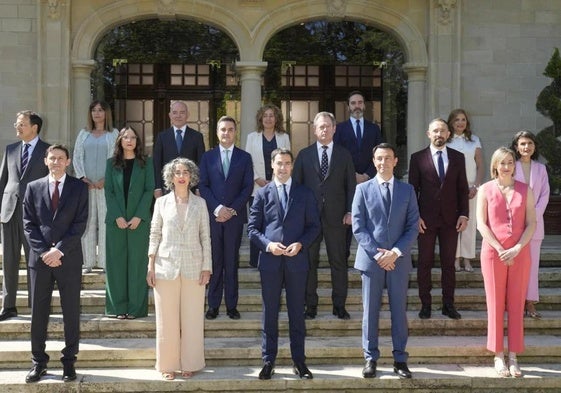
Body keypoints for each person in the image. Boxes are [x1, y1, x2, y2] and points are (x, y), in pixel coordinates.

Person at [248, 148, 320, 380]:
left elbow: (314, 227)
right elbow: (252, 229)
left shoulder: (305, 193)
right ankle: (268, 361)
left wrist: (301, 243)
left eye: (287, 163)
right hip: (270, 262)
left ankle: (299, 361)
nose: (283, 167)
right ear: (272, 165)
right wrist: (268, 245)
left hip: (297, 261)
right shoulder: (261, 194)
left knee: (296, 314)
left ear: (292, 166)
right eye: (279, 163)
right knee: (270, 313)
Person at [352, 143, 419, 379]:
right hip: (372, 261)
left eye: (387, 158)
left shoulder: (407, 190)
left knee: (399, 312)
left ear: (395, 161)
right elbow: (359, 227)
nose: (383, 163)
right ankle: (370, 359)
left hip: (398, 261)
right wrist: (379, 254)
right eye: (379, 158)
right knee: (370, 312)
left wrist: (396, 252)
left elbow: (412, 226)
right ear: (373, 160)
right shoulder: (362, 190)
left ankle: (400, 360)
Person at [22, 144, 89, 383]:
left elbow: (80, 224)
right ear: (46, 161)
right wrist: (44, 252)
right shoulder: (32, 188)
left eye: (61, 158)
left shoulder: (79, 188)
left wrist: (59, 250)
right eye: (52, 158)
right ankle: (38, 362)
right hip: (39, 261)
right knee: (38, 313)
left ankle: (69, 362)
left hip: (68, 259)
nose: (56, 162)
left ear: (68, 162)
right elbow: (28, 224)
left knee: (71, 311)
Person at [147, 157, 211, 380]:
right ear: (171, 178)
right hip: (165, 266)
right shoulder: (161, 203)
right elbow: (154, 233)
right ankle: (167, 364)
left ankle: (190, 363)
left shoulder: (200, 203)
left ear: (191, 176)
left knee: (192, 318)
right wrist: (150, 264)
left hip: (194, 267)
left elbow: (206, 237)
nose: (181, 176)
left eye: (185, 172)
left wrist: (207, 267)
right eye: (177, 172)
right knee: (166, 320)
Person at [476, 146, 536, 378]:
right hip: (493, 254)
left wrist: (518, 247)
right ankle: (498, 355)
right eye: (502, 162)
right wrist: (501, 248)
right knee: (495, 304)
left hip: (520, 254)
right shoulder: (485, 189)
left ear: (515, 165)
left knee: (516, 304)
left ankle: (514, 356)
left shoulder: (525, 190)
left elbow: (531, 222)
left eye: (510, 162)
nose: (506, 166)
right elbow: (482, 224)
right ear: (495, 165)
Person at [293, 111, 356, 320]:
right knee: (308, 263)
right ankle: (310, 305)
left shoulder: (344, 154)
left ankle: (339, 305)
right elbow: (297, 188)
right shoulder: (304, 155)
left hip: (337, 218)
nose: (324, 129)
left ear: (334, 128)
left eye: (328, 126)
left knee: (338, 262)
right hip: (309, 220)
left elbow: (351, 186)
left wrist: (350, 211)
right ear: (314, 130)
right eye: (321, 126)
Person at [408, 118, 469, 320]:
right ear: (428, 134)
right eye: (435, 131)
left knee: (448, 264)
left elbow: (462, 189)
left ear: (448, 134)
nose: (439, 134)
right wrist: (414, 217)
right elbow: (412, 191)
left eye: (442, 131)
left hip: (451, 220)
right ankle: (425, 305)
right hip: (425, 221)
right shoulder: (417, 158)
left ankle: (448, 305)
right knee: (424, 263)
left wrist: (464, 214)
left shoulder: (458, 158)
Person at [199, 116, 253, 320]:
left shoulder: (244, 158)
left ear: (235, 132)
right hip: (213, 218)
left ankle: (231, 305)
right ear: (217, 132)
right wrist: (218, 208)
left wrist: (230, 210)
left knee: (231, 262)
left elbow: (247, 187)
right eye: (223, 129)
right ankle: (213, 305)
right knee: (214, 262)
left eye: (230, 129)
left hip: (234, 218)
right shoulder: (207, 157)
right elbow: (203, 185)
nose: (226, 133)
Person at [0, 110, 49, 322]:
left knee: (36, 262)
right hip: (9, 213)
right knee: (9, 262)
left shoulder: (49, 151)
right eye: (17, 123)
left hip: (36, 215)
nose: (17, 127)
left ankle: (36, 306)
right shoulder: (10, 149)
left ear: (34, 127)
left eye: (21, 124)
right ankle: (8, 306)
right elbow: (3, 182)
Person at [104, 126, 155, 319]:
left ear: (137, 141)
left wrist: (138, 216)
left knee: (137, 265)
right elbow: (108, 191)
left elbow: (149, 190)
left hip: (138, 222)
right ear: (120, 141)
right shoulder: (111, 164)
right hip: (115, 222)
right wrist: (117, 215)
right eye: (126, 137)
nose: (130, 140)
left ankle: (136, 309)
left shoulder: (146, 163)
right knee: (116, 264)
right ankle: (117, 308)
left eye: (133, 137)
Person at [335, 91, 384, 262]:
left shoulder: (374, 128)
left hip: (370, 182)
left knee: (370, 221)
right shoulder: (339, 129)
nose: (357, 106)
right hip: (346, 184)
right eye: (353, 103)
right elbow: (337, 155)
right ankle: (343, 258)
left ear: (364, 105)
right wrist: (352, 175)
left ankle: (372, 258)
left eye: (360, 102)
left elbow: (380, 154)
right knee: (347, 221)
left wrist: (366, 175)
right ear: (348, 106)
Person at [73, 100, 118, 274]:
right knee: (88, 222)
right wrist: (82, 177)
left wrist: (106, 179)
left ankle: (106, 263)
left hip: (106, 186)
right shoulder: (84, 134)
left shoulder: (113, 134)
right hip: (86, 186)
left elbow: (115, 158)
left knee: (106, 222)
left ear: (106, 113)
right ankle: (88, 262)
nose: (97, 113)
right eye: (94, 110)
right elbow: (77, 156)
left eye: (100, 110)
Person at [245, 104, 291, 268]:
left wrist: (275, 179)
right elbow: (247, 161)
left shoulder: (284, 137)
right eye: (265, 116)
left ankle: (276, 254)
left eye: (271, 115)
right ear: (260, 118)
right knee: (256, 223)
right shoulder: (252, 137)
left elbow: (287, 161)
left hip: (277, 186)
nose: (268, 118)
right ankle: (254, 259)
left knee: (274, 222)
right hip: (258, 188)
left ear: (276, 118)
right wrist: (257, 179)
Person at [511, 130, 550, 319]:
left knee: (532, 265)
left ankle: (530, 302)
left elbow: (545, 194)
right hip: (514, 223)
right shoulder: (510, 166)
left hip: (535, 223)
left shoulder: (541, 169)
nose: (527, 147)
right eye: (523, 144)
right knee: (516, 265)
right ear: (517, 147)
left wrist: (534, 215)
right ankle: (515, 302)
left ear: (535, 147)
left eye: (530, 143)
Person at [447, 109, 484, 273]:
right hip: (452, 189)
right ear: (451, 122)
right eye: (457, 120)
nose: (460, 123)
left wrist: (476, 185)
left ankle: (467, 259)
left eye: (463, 120)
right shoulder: (446, 141)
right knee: (454, 224)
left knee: (469, 224)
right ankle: (455, 259)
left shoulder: (474, 140)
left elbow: (481, 165)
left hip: (471, 188)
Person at [152, 100, 205, 198]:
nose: (178, 116)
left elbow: (201, 164)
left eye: (182, 112)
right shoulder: (162, 137)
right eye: (175, 112)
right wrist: (158, 187)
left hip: (191, 189)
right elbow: (157, 163)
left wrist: (198, 188)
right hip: (167, 189)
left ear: (188, 115)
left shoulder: (197, 137)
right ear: (170, 115)